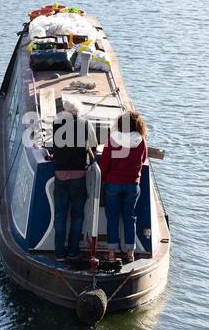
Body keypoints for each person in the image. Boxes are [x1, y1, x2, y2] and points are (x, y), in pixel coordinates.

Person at [52, 98, 97, 262]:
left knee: (60, 215)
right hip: (78, 175)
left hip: (60, 174)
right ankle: (73, 251)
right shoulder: (85, 123)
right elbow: (93, 144)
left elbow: (56, 147)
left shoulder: (57, 123)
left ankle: (59, 253)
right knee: (77, 215)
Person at [99, 110, 147, 263]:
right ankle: (130, 252)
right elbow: (143, 159)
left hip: (113, 183)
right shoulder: (141, 141)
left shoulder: (112, 140)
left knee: (112, 218)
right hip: (132, 184)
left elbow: (105, 164)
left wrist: (105, 179)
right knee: (130, 218)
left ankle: (112, 253)